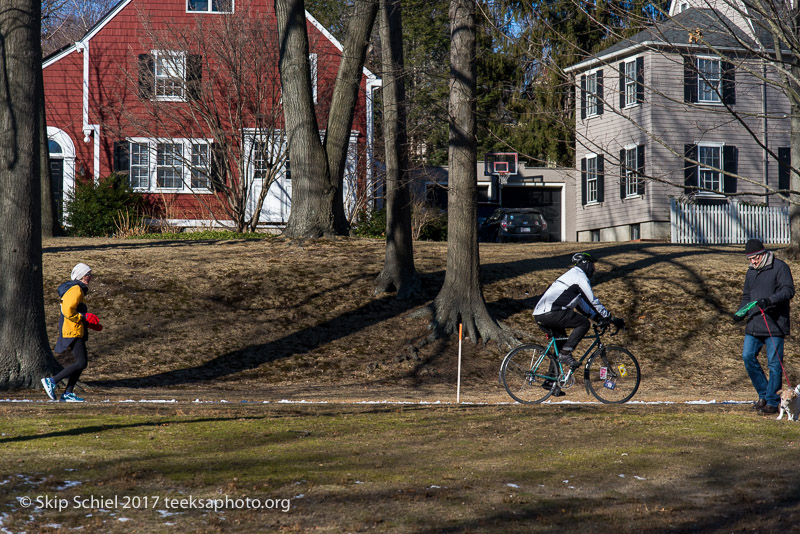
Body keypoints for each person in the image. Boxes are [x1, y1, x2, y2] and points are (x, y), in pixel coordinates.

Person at [533, 252, 625, 393]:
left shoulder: (573, 277)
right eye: (593, 265)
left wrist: (598, 318)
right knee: (583, 324)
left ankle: (550, 382)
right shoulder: (579, 276)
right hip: (550, 312)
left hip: (544, 314)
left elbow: (583, 306)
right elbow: (592, 300)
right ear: (586, 264)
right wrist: (610, 317)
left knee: (562, 344)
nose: (594, 269)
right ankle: (565, 354)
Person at [734, 239, 795, 416]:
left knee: (775, 364)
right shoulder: (751, 272)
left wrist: (770, 300)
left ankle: (772, 401)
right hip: (754, 323)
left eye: (755, 258)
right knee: (747, 356)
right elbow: (747, 296)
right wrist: (741, 312)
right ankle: (763, 395)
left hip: (774, 324)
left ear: (763, 254)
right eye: (750, 259)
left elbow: (788, 290)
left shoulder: (780, 267)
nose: (752, 261)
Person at [41, 262, 102, 402]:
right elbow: (68, 310)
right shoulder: (76, 289)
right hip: (72, 331)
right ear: (81, 276)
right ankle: (52, 381)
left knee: (82, 362)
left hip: (76, 329)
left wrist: (89, 324)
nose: (90, 277)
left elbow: (73, 311)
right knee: (81, 362)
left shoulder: (77, 289)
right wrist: (83, 317)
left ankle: (68, 393)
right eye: (88, 274)